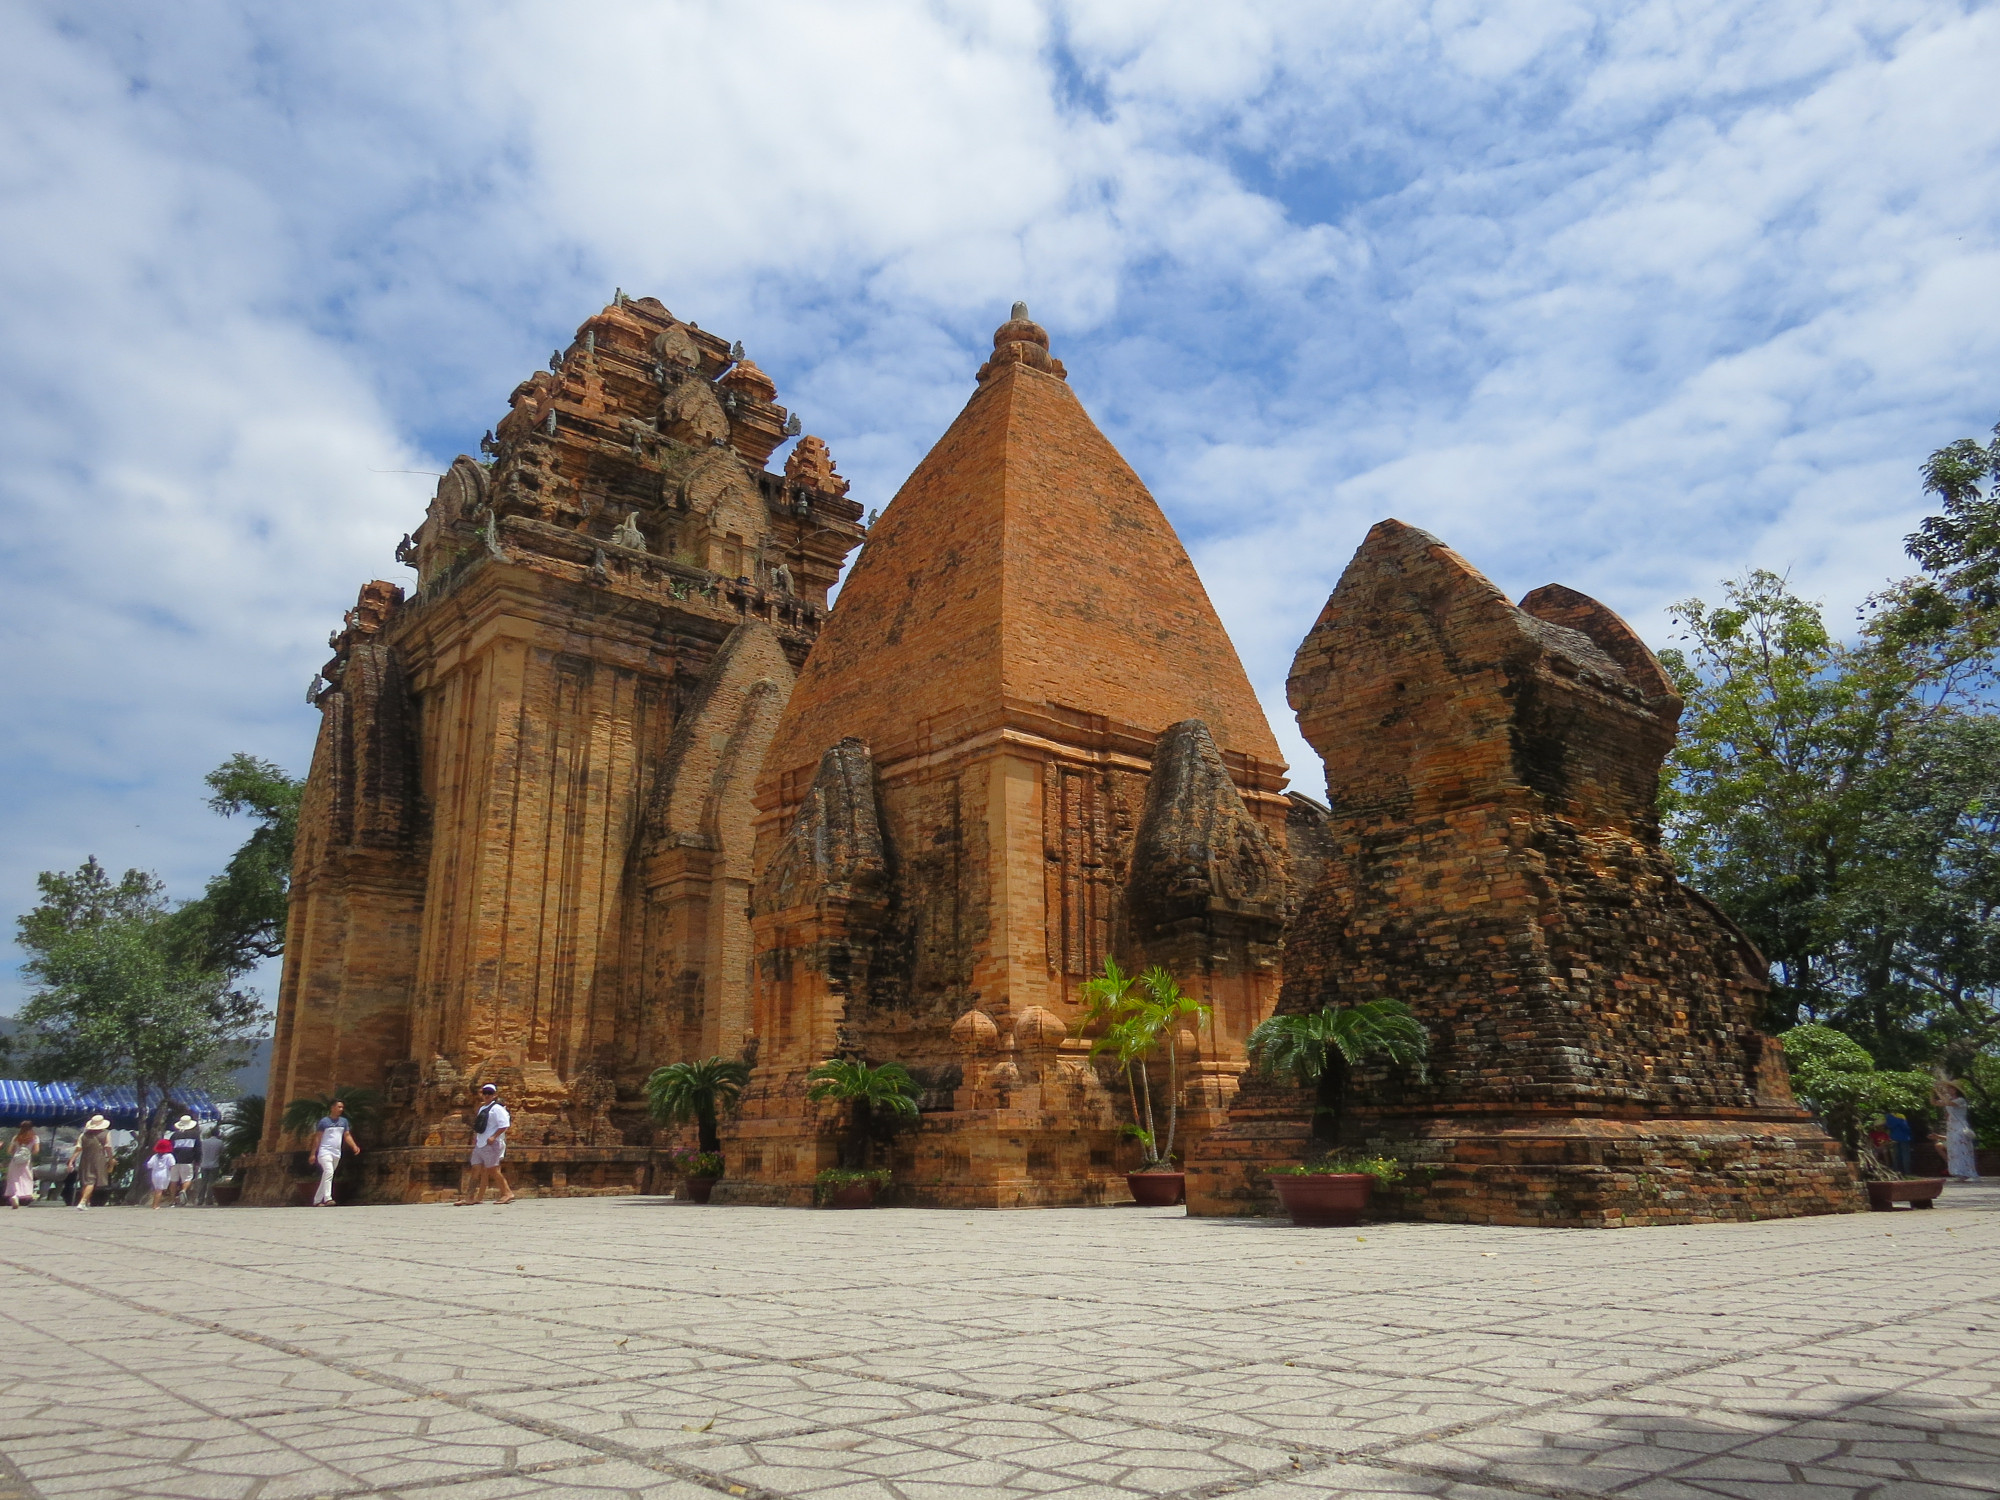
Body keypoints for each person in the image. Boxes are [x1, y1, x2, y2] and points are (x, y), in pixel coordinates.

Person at [458, 1083, 513, 1205]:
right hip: (480, 1143)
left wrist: (494, 1137)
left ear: (495, 1095)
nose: (487, 1095)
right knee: (475, 1169)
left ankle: (507, 1193)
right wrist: (476, 1139)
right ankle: (469, 1197)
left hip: (491, 1144)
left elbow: (504, 1125)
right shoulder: (482, 1108)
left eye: (490, 1093)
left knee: (493, 1169)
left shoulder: (498, 1109)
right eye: (485, 1093)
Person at [310, 1100, 361, 1206]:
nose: (341, 1109)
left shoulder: (344, 1122)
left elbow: (347, 1135)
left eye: (342, 1107)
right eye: (339, 1107)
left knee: (327, 1175)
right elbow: (317, 1138)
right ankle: (328, 1198)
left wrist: (354, 1146)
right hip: (325, 1151)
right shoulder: (324, 1122)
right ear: (332, 1108)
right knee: (329, 1172)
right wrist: (312, 1154)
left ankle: (317, 1200)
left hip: (336, 1153)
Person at [1937, 1078, 1980, 1180]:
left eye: (1950, 1088)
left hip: (1960, 1127)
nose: (1948, 1090)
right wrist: (1933, 1092)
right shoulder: (1950, 1099)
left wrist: (1938, 1092)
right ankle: (1959, 1173)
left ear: (1955, 1090)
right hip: (1952, 1127)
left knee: (1962, 1149)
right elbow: (1936, 1103)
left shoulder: (1960, 1100)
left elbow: (1948, 1103)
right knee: (1953, 1150)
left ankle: (1968, 1172)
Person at [70, 1114, 112, 1210]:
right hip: (98, 1158)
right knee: (91, 1181)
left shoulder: (83, 1135)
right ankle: (83, 1201)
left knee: (85, 1180)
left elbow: (78, 1149)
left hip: (85, 1159)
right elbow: (108, 1147)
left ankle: (86, 1202)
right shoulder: (106, 1134)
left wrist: (71, 1161)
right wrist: (111, 1158)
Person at [168, 1115, 203, 1207]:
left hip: (174, 1160)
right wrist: (198, 1160)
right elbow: (198, 1149)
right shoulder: (195, 1135)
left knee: (173, 1180)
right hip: (187, 1160)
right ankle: (183, 1191)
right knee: (187, 1178)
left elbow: (170, 1148)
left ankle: (172, 1201)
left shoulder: (174, 1135)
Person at [6, 1121, 38, 1208]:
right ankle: (21, 1196)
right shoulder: (34, 1138)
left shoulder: (16, 1138)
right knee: (26, 1179)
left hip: (15, 1161)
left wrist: (17, 1153)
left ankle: (15, 1195)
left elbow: (9, 1151)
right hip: (26, 1162)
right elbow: (36, 1151)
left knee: (15, 1179)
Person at [196, 1124, 226, 1205]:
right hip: (214, 1164)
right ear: (218, 1134)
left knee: (203, 1183)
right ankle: (209, 1200)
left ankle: (200, 1199)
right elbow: (222, 1152)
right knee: (212, 1183)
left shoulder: (204, 1142)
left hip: (204, 1164)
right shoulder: (220, 1142)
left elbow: (201, 1152)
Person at [144, 1137, 176, 1209]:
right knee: (160, 1190)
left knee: (157, 1189)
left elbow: (149, 1165)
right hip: (164, 1173)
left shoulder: (155, 1156)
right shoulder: (169, 1156)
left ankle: (154, 1204)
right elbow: (172, 1165)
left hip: (155, 1173)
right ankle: (155, 1205)